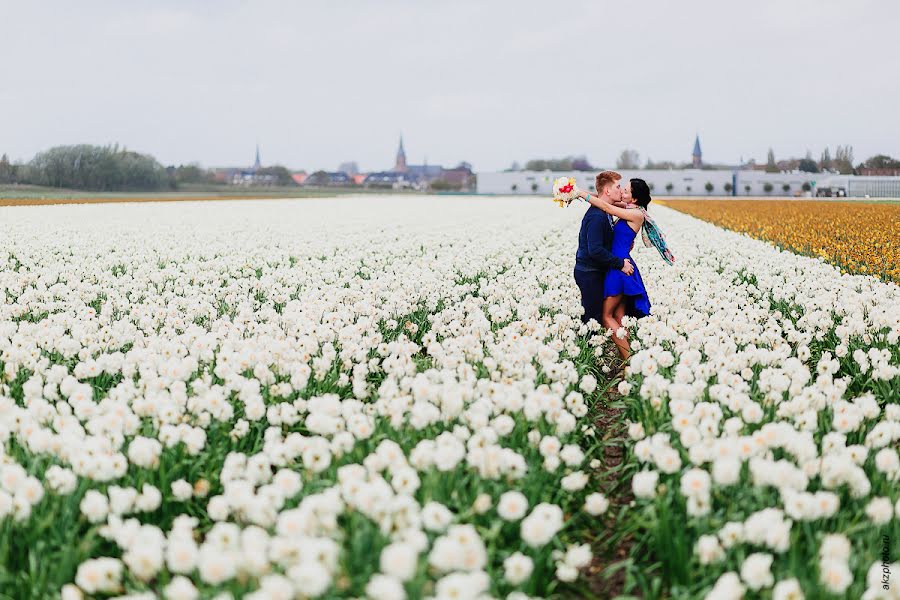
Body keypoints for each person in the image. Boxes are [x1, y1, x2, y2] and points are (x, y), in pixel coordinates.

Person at [575, 176, 653, 359]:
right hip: (617, 265)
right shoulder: (628, 208)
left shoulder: (636, 214)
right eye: (620, 188)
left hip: (620, 268)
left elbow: (607, 206)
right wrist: (574, 192)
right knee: (618, 318)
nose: (622, 192)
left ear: (633, 198)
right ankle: (626, 361)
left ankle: (630, 360)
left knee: (606, 317)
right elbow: (601, 198)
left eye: (625, 190)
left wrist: (580, 194)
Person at [573, 171, 634, 328]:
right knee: (592, 319)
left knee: (595, 315)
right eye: (618, 187)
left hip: (593, 270)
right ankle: (587, 348)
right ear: (607, 191)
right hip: (589, 272)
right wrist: (620, 263)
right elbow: (595, 250)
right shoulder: (597, 216)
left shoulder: (604, 211)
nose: (621, 191)